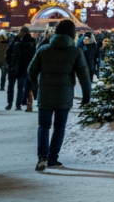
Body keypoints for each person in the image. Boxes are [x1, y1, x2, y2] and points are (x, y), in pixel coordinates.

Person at [28, 19, 91, 171]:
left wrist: (37, 87)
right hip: (64, 95)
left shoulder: (43, 49)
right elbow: (84, 76)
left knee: (43, 126)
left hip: (45, 94)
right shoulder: (75, 52)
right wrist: (86, 96)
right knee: (59, 127)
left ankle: (42, 157)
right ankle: (53, 158)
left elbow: (31, 71)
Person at [7, 27, 37, 111]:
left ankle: (10, 103)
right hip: (24, 68)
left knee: (11, 86)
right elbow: (33, 55)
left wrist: (9, 64)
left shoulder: (14, 40)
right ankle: (18, 104)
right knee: (20, 88)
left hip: (13, 67)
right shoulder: (32, 41)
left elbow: (8, 53)